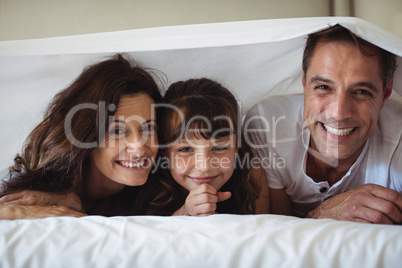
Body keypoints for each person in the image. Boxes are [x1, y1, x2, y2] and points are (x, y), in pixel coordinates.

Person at [244, 24, 402, 224]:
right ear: (305, 84)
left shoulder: (398, 139)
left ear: (385, 94)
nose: (338, 114)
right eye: (323, 87)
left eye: (361, 91)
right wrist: (322, 214)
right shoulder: (267, 125)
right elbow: (274, 232)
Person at [0, 53, 167, 219]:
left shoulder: (159, 191)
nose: (138, 147)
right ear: (86, 136)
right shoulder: (35, 185)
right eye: (117, 131)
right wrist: (15, 211)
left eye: (149, 128)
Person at [157, 78, 269, 216]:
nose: (204, 166)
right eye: (186, 149)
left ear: (236, 147)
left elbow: (261, 232)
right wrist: (184, 214)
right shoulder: (148, 188)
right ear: (164, 153)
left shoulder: (251, 176)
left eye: (219, 148)